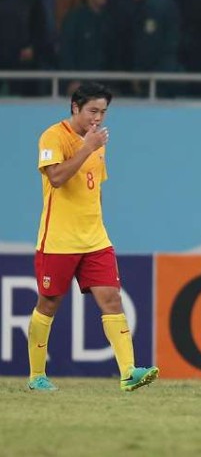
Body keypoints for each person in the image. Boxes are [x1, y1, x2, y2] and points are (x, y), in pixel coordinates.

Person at [28, 82, 159, 392]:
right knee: (48, 304)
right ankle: (36, 376)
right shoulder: (53, 136)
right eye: (92, 111)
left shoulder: (98, 142)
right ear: (75, 107)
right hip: (58, 240)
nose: (98, 118)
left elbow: (94, 188)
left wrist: (99, 224)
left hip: (95, 239)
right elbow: (57, 178)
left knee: (112, 299)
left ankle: (129, 373)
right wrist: (87, 146)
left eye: (102, 112)